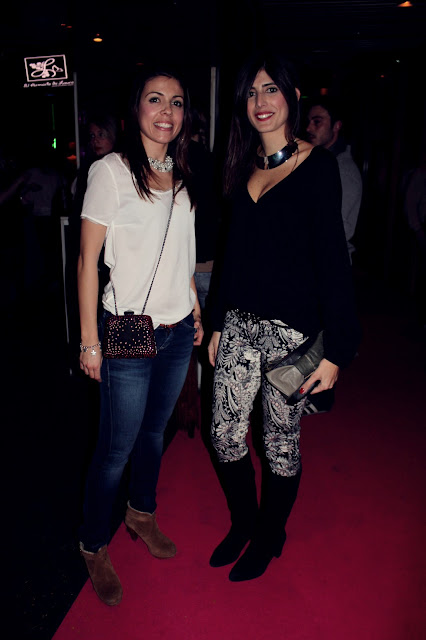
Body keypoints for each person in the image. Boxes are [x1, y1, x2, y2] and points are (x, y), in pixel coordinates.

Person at [207, 52, 360, 582]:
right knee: (224, 435)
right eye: (251, 92)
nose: (260, 101)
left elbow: (333, 261)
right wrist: (219, 320)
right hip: (240, 324)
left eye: (270, 89)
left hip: (292, 333)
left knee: (278, 442)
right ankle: (245, 521)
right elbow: (231, 255)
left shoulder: (317, 168)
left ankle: (270, 534)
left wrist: (337, 350)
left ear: (292, 97)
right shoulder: (241, 163)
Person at [78, 66, 203, 606]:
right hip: (129, 329)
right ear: (137, 110)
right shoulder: (110, 171)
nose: (166, 111)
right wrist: (90, 341)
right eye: (155, 99)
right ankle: (92, 544)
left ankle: (141, 513)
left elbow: (181, 253)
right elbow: (87, 262)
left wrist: (195, 305)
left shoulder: (182, 174)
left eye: (176, 102)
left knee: (155, 433)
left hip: (177, 330)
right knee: (116, 448)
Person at [306, 97, 363, 263]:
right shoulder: (320, 162)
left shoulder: (343, 170)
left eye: (317, 122)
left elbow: (336, 229)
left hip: (327, 264)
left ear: (337, 126)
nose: (308, 128)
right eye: (309, 121)